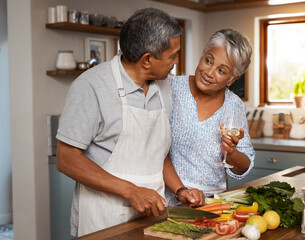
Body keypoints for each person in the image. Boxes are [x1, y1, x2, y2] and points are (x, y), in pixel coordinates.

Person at [56, 8, 204, 237]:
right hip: (103, 219)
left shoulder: (164, 86)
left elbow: (156, 152)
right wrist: (132, 192)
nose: (175, 62)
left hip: (153, 217)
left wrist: (179, 189)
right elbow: (67, 160)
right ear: (147, 59)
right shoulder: (91, 86)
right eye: (172, 56)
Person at [165, 29, 255, 205]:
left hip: (212, 204)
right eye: (208, 61)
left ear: (232, 79)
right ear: (202, 55)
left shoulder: (234, 105)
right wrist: (181, 191)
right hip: (168, 198)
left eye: (221, 71)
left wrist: (231, 152)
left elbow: (244, 166)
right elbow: (155, 150)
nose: (209, 72)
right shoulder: (171, 88)